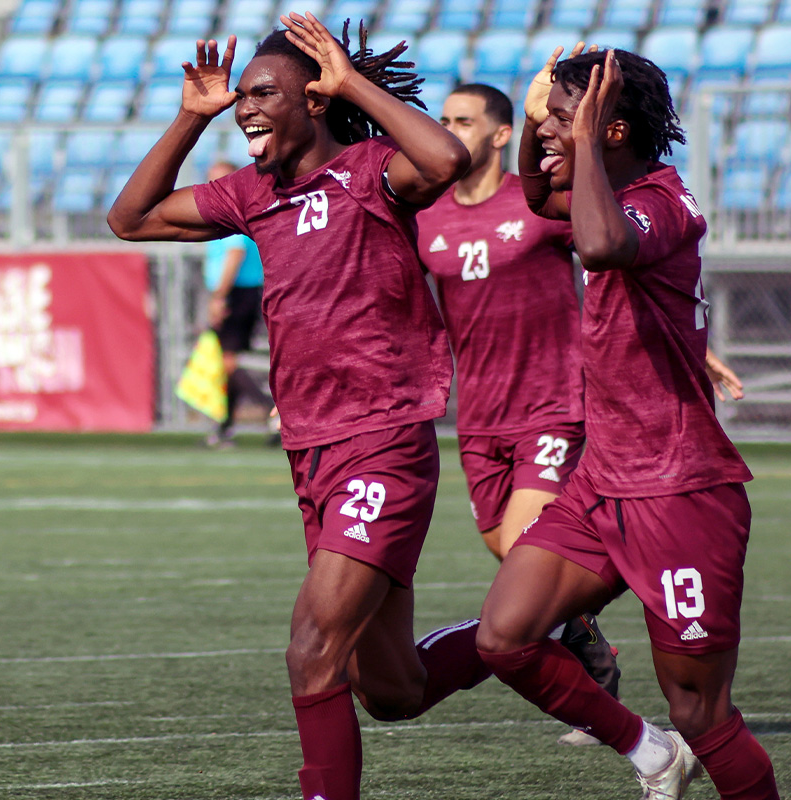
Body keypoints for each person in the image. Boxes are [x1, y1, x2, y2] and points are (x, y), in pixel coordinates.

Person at [108, 14, 493, 800]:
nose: (245, 106)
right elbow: (130, 219)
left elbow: (447, 158)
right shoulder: (254, 193)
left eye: (262, 93)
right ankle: (528, 633)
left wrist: (351, 80)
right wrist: (191, 115)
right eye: (241, 95)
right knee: (391, 690)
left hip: (383, 440)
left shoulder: (372, 171)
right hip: (312, 451)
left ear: (314, 100)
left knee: (312, 649)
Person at [475, 46, 780, 800]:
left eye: (561, 117)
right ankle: (651, 753)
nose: (546, 128)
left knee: (702, 712)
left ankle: (688, 748)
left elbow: (600, 243)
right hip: (602, 482)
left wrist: (572, 139)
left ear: (610, 132)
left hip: (680, 493)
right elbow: (541, 196)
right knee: (504, 638)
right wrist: (547, 114)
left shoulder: (661, 202)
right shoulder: (599, 188)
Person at [416, 82, 621, 745]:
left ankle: (594, 686)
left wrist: (685, 345)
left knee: (523, 557)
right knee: (510, 554)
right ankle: (586, 638)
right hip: (477, 419)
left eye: (465, 121)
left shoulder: (538, 205)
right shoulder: (426, 218)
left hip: (552, 406)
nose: (450, 131)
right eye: (443, 121)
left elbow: (615, 259)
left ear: (502, 135)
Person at [200, 160, 269, 448]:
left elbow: (234, 253)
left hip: (237, 293)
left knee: (230, 362)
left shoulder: (233, 212)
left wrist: (219, 297)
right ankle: (225, 427)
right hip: (239, 292)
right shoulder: (231, 210)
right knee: (229, 360)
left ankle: (271, 414)